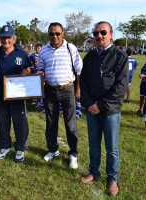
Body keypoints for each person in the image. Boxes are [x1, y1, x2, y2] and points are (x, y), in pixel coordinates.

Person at [79, 21, 128, 197]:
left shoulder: (120, 56)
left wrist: (100, 105)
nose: (99, 35)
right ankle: (93, 172)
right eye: (96, 33)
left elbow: (121, 87)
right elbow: (83, 83)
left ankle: (112, 179)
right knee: (93, 144)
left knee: (111, 148)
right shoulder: (90, 56)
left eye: (103, 32)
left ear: (111, 34)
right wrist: (89, 104)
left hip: (110, 111)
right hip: (91, 110)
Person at [37, 22, 83, 169]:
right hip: (50, 91)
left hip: (68, 90)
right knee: (51, 123)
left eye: (57, 33)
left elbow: (79, 70)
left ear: (63, 34)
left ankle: (73, 154)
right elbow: (41, 69)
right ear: (48, 34)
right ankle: (53, 150)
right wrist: (40, 75)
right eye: (51, 33)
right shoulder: (43, 50)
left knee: (70, 124)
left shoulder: (71, 48)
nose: (55, 36)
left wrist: (78, 90)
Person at [0, 24, 31, 163]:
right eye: (3, 37)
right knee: (2, 123)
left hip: (17, 96)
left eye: (8, 37)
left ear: (14, 39)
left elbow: (29, 69)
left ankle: (20, 148)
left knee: (19, 123)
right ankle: (5, 146)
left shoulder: (22, 54)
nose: (5, 40)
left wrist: (26, 72)